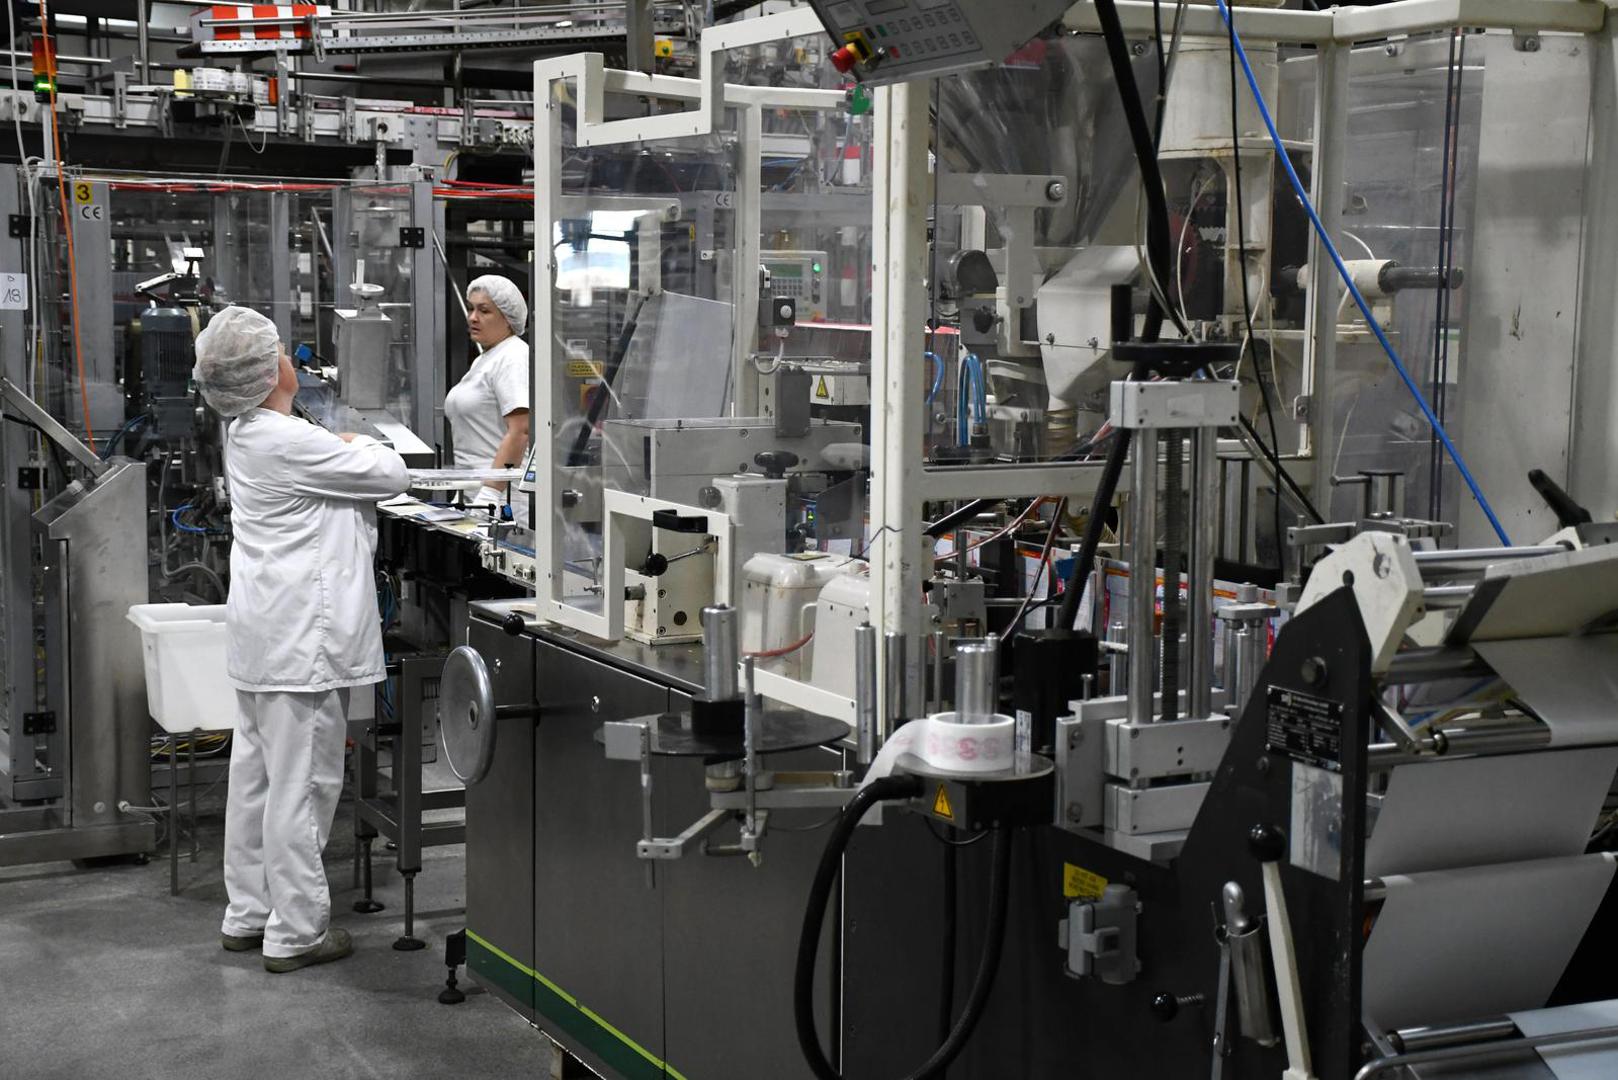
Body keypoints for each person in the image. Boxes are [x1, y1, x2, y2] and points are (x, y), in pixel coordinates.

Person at [192, 306, 410, 973]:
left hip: (264, 636)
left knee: (257, 779)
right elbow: (392, 473)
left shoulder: (249, 431)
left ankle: (248, 913)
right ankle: (296, 932)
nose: (291, 359)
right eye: (281, 352)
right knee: (303, 785)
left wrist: (339, 446)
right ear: (267, 375)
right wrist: (359, 445)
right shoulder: (285, 440)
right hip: (299, 642)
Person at [444, 274, 531, 511]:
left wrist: (491, 492)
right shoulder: (486, 358)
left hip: (501, 498)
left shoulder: (513, 357)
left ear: (508, 318)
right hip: (474, 493)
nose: (473, 317)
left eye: (484, 311)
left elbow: (521, 430)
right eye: (471, 308)